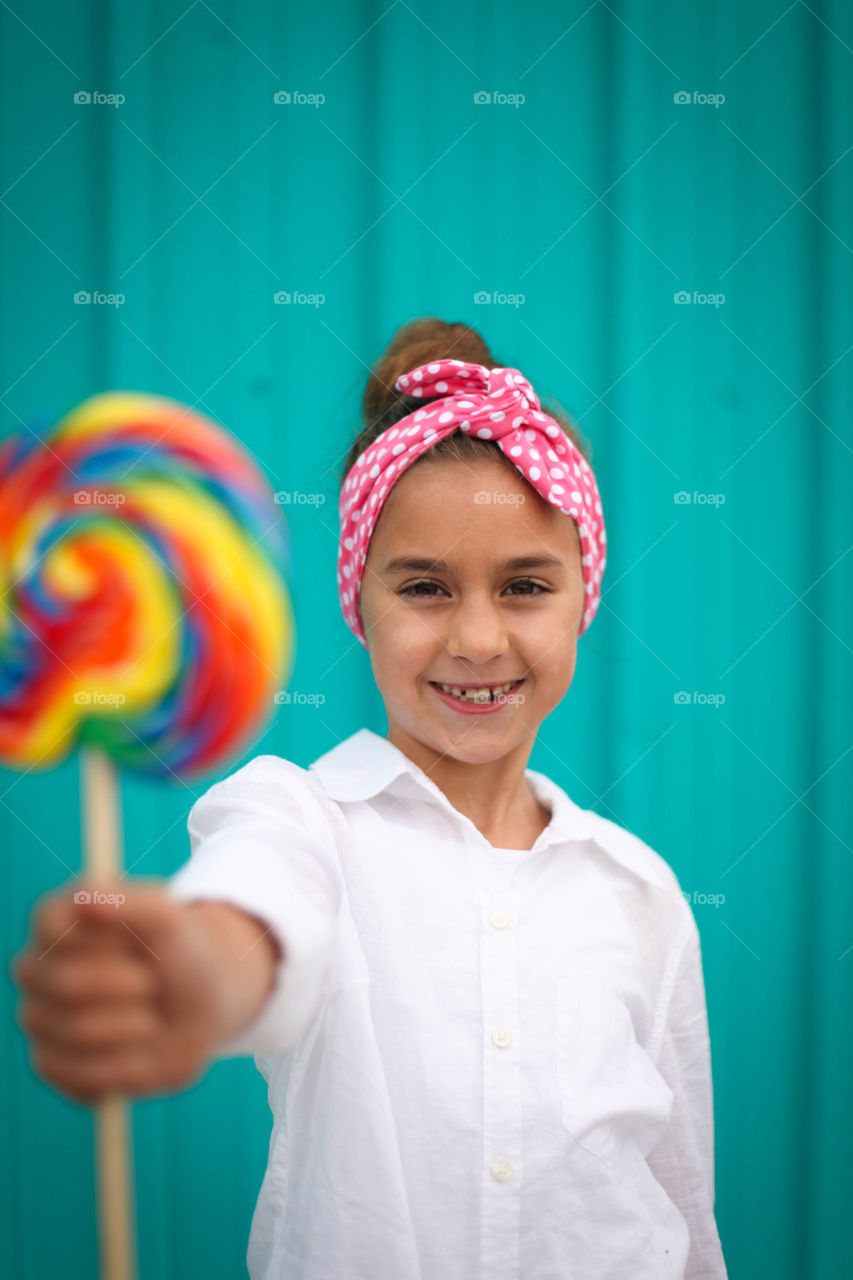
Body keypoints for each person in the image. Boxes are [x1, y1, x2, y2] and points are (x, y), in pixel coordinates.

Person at [11, 318, 728, 1279]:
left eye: (524, 586)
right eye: (425, 587)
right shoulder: (295, 818)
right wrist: (185, 970)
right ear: (360, 604)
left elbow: (684, 1206)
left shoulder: (641, 891)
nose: (477, 639)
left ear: (582, 600)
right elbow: (255, 919)